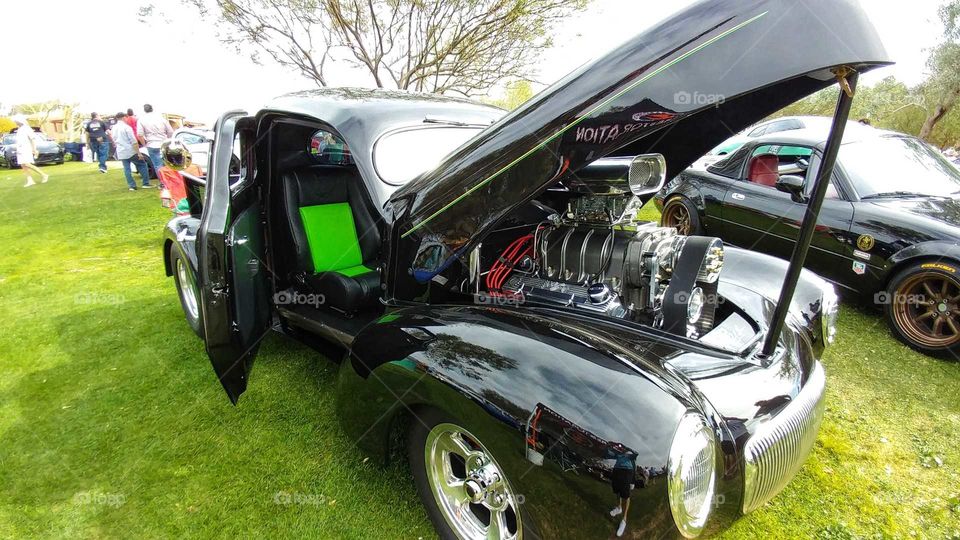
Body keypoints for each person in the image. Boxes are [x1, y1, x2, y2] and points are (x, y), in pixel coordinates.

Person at [111, 112, 151, 190]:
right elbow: (134, 141)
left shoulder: (114, 128)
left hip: (120, 150)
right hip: (130, 150)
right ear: (124, 118)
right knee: (142, 164)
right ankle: (145, 183)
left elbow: (114, 139)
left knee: (126, 168)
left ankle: (131, 185)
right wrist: (139, 153)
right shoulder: (127, 127)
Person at [13, 116, 49, 187]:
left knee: (27, 163)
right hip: (20, 150)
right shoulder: (19, 129)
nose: (15, 122)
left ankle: (44, 175)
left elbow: (32, 139)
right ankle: (30, 180)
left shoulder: (27, 128)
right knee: (23, 165)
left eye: (16, 121)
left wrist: (34, 149)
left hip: (25, 149)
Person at [137, 104, 173, 172]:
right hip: (164, 143)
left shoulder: (141, 120)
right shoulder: (161, 118)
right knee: (168, 163)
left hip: (151, 144)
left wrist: (144, 145)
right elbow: (170, 131)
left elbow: (139, 135)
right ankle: (170, 180)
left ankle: (162, 181)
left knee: (158, 165)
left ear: (144, 110)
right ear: (152, 109)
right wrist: (168, 140)